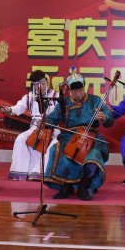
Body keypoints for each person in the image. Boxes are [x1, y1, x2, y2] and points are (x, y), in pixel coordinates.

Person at [42, 68, 114, 201]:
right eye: (74, 91)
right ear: (69, 90)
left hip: (92, 136)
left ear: (84, 87)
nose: (78, 93)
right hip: (70, 136)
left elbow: (109, 119)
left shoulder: (95, 100)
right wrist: (46, 123)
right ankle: (66, 186)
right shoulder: (64, 103)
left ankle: (84, 185)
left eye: (80, 90)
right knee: (57, 150)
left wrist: (104, 117)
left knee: (94, 154)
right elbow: (52, 118)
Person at [0, 69, 60, 181]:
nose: (41, 87)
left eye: (43, 83)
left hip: (52, 128)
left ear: (47, 81)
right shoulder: (30, 96)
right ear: (33, 85)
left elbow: (62, 113)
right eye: (37, 85)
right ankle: (20, 173)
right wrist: (9, 109)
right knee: (20, 139)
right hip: (34, 128)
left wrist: (48, 122)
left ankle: (41, 172)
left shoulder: (56, 96)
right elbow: (19, 107)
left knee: (54, 143)